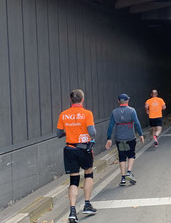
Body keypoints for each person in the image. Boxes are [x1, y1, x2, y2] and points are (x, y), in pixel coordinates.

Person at [56, 89, 98, 222]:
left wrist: (68, 132)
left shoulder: (63, 114)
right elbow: (93, 132)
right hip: (84, 148)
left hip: (69, 149)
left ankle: (72, 211)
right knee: (88, 174)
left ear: (70, 100)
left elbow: (58, 134)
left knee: (73, 180)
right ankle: (87, 204)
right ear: (82, 99)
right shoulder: (87, 113)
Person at [105, 93, 145, 186]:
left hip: (119, 138)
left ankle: (123, 178)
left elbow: (110, 126)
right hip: (130, 137)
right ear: (127, 100)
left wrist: (109, 138)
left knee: (122, 157)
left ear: (118, 101)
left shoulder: (114, 112)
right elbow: (137, 123)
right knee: (131, 155)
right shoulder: (132, 110)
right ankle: (129, 172)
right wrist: (141, 134)